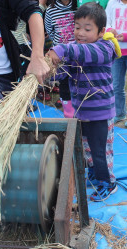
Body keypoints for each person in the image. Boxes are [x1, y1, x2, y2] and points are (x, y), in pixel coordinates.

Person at [48, 2, 120, 201]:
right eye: (77, 27)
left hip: (100, 113)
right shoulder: (76, 50)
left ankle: (108, 183)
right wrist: (48, 73)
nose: (80, 33)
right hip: (81, 111)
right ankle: (94, 175)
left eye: (87, 29)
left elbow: (84, 54)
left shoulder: (104, 48)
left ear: (100, 31)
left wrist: (61, 49)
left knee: (100, 151)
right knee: (86, 148)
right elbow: (64, 72)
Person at [44, 0, 77, 117]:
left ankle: (80, 109)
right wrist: (59, 45)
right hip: (60, 56)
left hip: (77, 53)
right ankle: (68, 112)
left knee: (78, 81)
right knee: (64, 83)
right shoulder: (50, 10)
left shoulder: (77, 6)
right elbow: (50, 30)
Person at [105, 0, 127, 125]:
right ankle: (120, 113)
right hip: (116, 51)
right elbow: (107, 21)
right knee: (117, 85)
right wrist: (110, 29)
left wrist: (125, 35)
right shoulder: (112, 3)